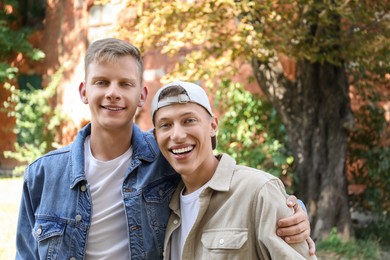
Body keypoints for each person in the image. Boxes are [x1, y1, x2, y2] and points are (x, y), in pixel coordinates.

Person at [15, 38, 312, 259]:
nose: (113, 93)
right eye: (102, 82)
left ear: (141, 95)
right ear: (84, 91)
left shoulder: (166, 157)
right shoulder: (43, 174)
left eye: (125, 84)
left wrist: (292, 212)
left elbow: (226, 184)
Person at [151, 81, 317, 259]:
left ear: (213, 126)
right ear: (155, 136)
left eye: (189, 120)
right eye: (166, 125)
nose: (177, 135)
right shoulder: (160, 205)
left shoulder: (258, 191)